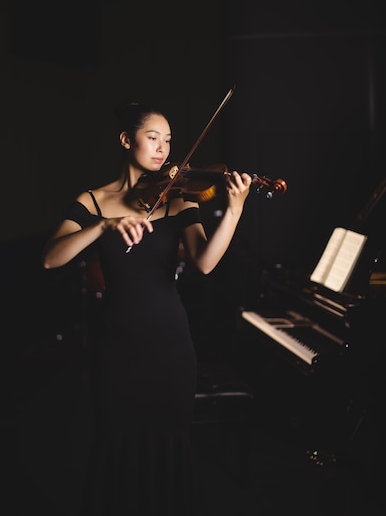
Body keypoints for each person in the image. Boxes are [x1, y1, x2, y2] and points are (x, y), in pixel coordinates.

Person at [42, 102, 252, 516]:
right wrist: (101, 226)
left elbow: (205, 262)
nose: (162, 148)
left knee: (170, 444)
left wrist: (235, 210)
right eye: (152, 137)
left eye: (168, 140)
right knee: (116, 442)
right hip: (115, 348)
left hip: (170, 348)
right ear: (126, 140)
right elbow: (51, 258)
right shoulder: (93, 202)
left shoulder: (178, 201)